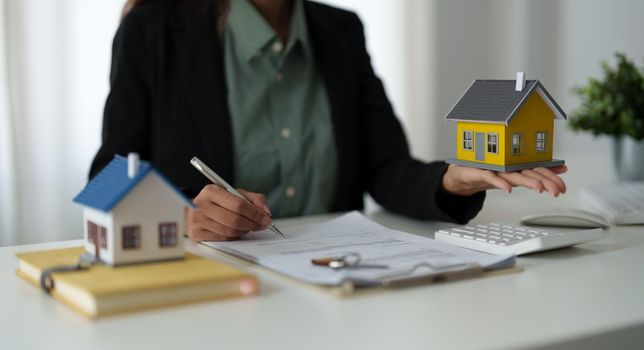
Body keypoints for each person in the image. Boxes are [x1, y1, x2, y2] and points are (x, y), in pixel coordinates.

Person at [91, 0, 567, 241]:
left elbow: (385, 169)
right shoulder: (153, 30)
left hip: (337, 280)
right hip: (215, 293)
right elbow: (105, 180)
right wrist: (182, 215)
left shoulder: (340, 29)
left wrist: (452, 180)